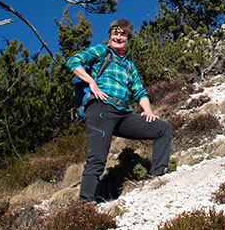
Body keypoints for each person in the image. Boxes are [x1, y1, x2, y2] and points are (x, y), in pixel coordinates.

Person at [66, 19, 172, 202]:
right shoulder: (101, 51)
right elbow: (73, 61)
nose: (119, 37)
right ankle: (85, 204)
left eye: (123, 34)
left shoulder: (129, 66)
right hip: (101, 109)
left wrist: (148, 110)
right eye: (115, 33)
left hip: (123, 114)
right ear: (110, 36)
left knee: (162, 129)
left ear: (128, 38)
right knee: (97, 159)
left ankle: (158, 176)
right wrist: (91, 82)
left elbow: (139, 91)